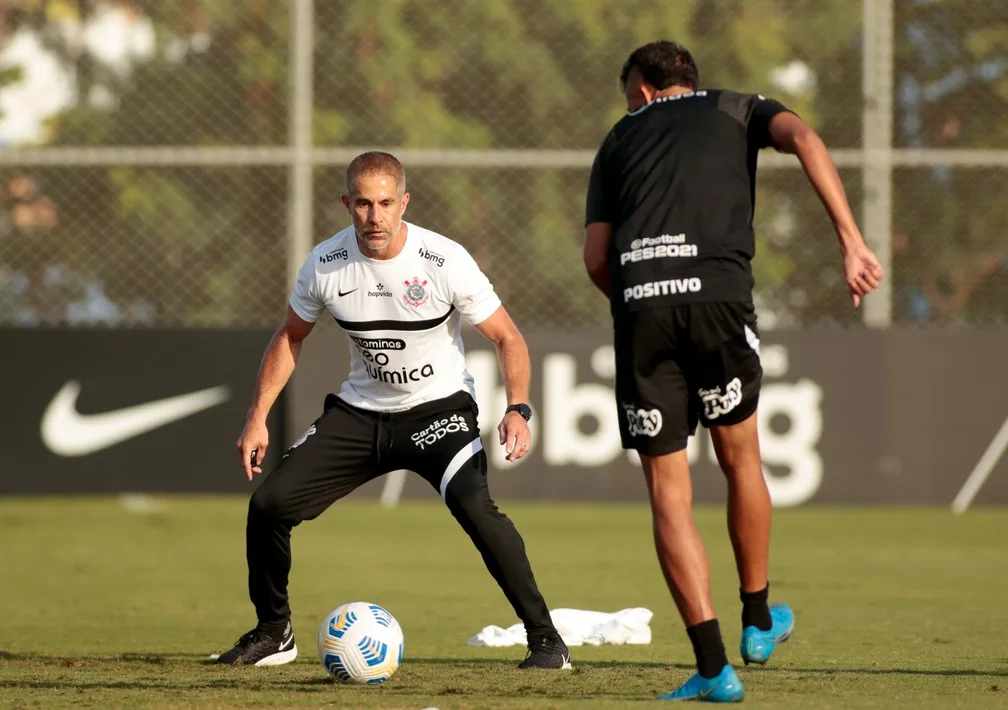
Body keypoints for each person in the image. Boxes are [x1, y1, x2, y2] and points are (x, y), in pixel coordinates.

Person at [582, 41, 883, 702]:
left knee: (668, 488)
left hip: (643, 310)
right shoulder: (737, 108)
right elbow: (804, 137)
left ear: (640, 88)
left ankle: (715, 668)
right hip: (718, 301)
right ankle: (756, 619)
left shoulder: (618, 137)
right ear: (691, 78)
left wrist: (640, 303)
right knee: (741, 459)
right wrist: (851, 240)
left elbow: (597, 256)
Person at [216, 151, 571, 671]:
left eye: (385, 203)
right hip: (360, 415)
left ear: (404, 202)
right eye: (362, 203)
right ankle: (275, 632)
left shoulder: (443, 259)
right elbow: (290, 337)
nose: (374, 217)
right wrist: (257, 416)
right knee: (269, 505)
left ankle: (546, 642)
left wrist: (519, 408)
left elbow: (507, 337)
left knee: (477, 509)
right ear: (346, 204)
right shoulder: (325, 263)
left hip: (439, 412)